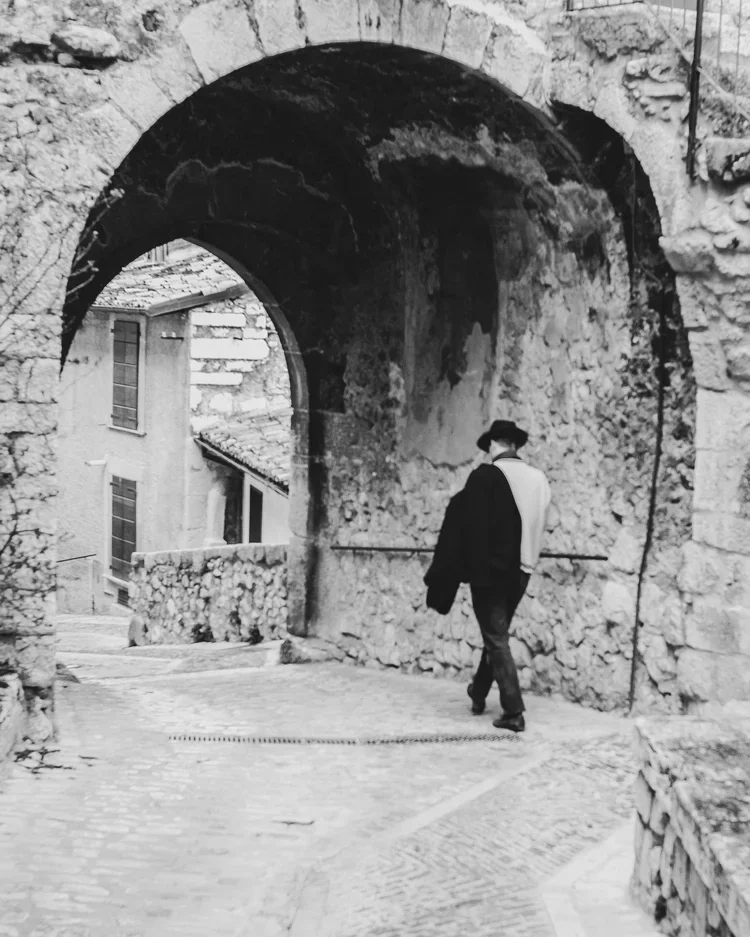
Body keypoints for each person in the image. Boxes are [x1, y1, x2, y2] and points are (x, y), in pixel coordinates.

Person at [463, 419, 551, 733]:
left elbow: (472, 526)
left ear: (493, 445)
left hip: (491, 570)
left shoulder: (488, 476)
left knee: (496, 636)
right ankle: (479, 692)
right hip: (524, 568)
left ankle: (513, 710)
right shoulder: (539, 479)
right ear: (515, 444)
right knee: (495, 632)